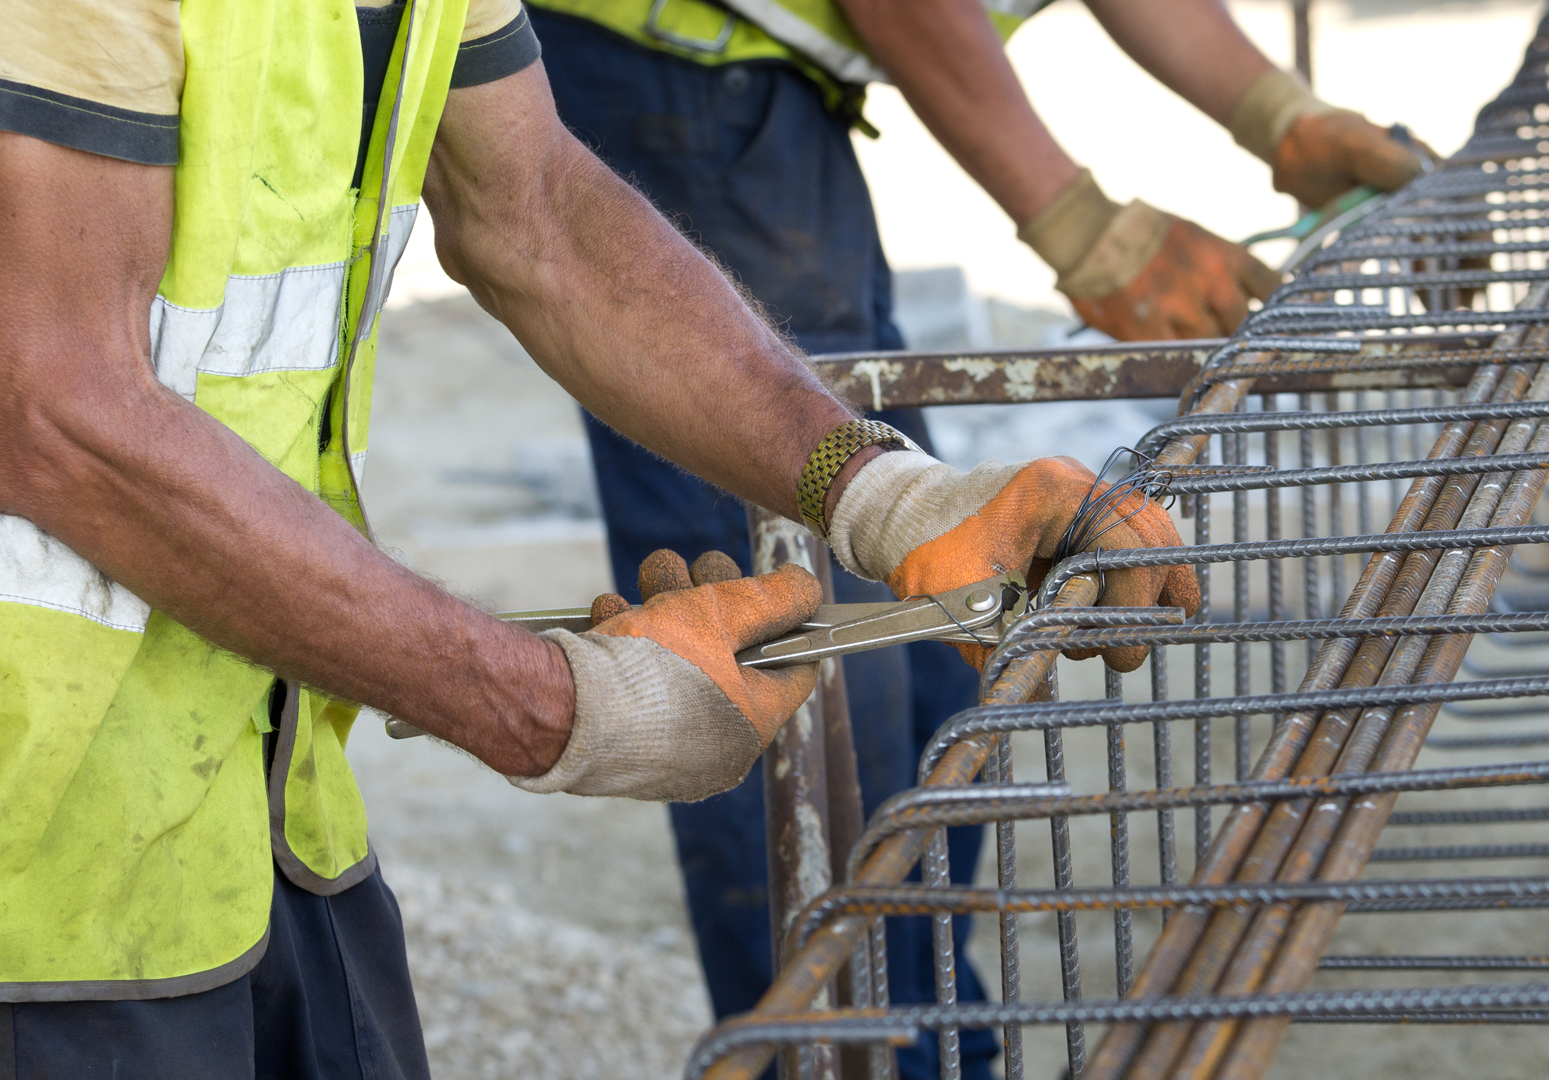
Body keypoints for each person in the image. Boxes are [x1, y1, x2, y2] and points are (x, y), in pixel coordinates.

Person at [0, 0, 1200, 1076]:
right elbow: (53, 408)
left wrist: (883, 494)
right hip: (36, 857)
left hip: (248, 796)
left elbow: (540, 215)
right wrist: (548, 702)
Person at [520, 0, 1427, 1076]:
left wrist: (1278, 115)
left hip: (762, 101)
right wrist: (1082, 224)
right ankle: (864, 1056)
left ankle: (926, 1041)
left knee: (917, 667)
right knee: (818, 687)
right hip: (675, 83)